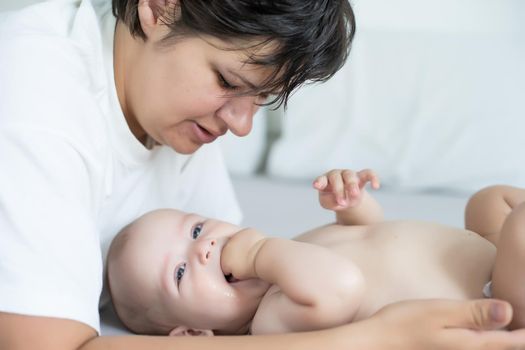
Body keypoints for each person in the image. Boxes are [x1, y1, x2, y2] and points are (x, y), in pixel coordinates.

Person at [1, 0, 525, 349]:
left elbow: (244, 245)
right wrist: (378, 336)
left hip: (481, 253)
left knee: (493, 204)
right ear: (159, 6)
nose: (243, 126)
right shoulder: (32, 102)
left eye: (262, 99)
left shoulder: (172, 103)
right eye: (229, 81)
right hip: (489, 290)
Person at [107, 168, 525, 336]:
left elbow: (369, 233)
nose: (204, 247)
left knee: (488, 201)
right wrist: (257, 254)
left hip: (490, 255)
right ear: (194, 336)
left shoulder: (288, 254)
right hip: (496, 300)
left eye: (196, 229)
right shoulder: (272, 319)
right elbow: (343, 285)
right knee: (520, 225)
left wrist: (351, 204)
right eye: (180, 273)